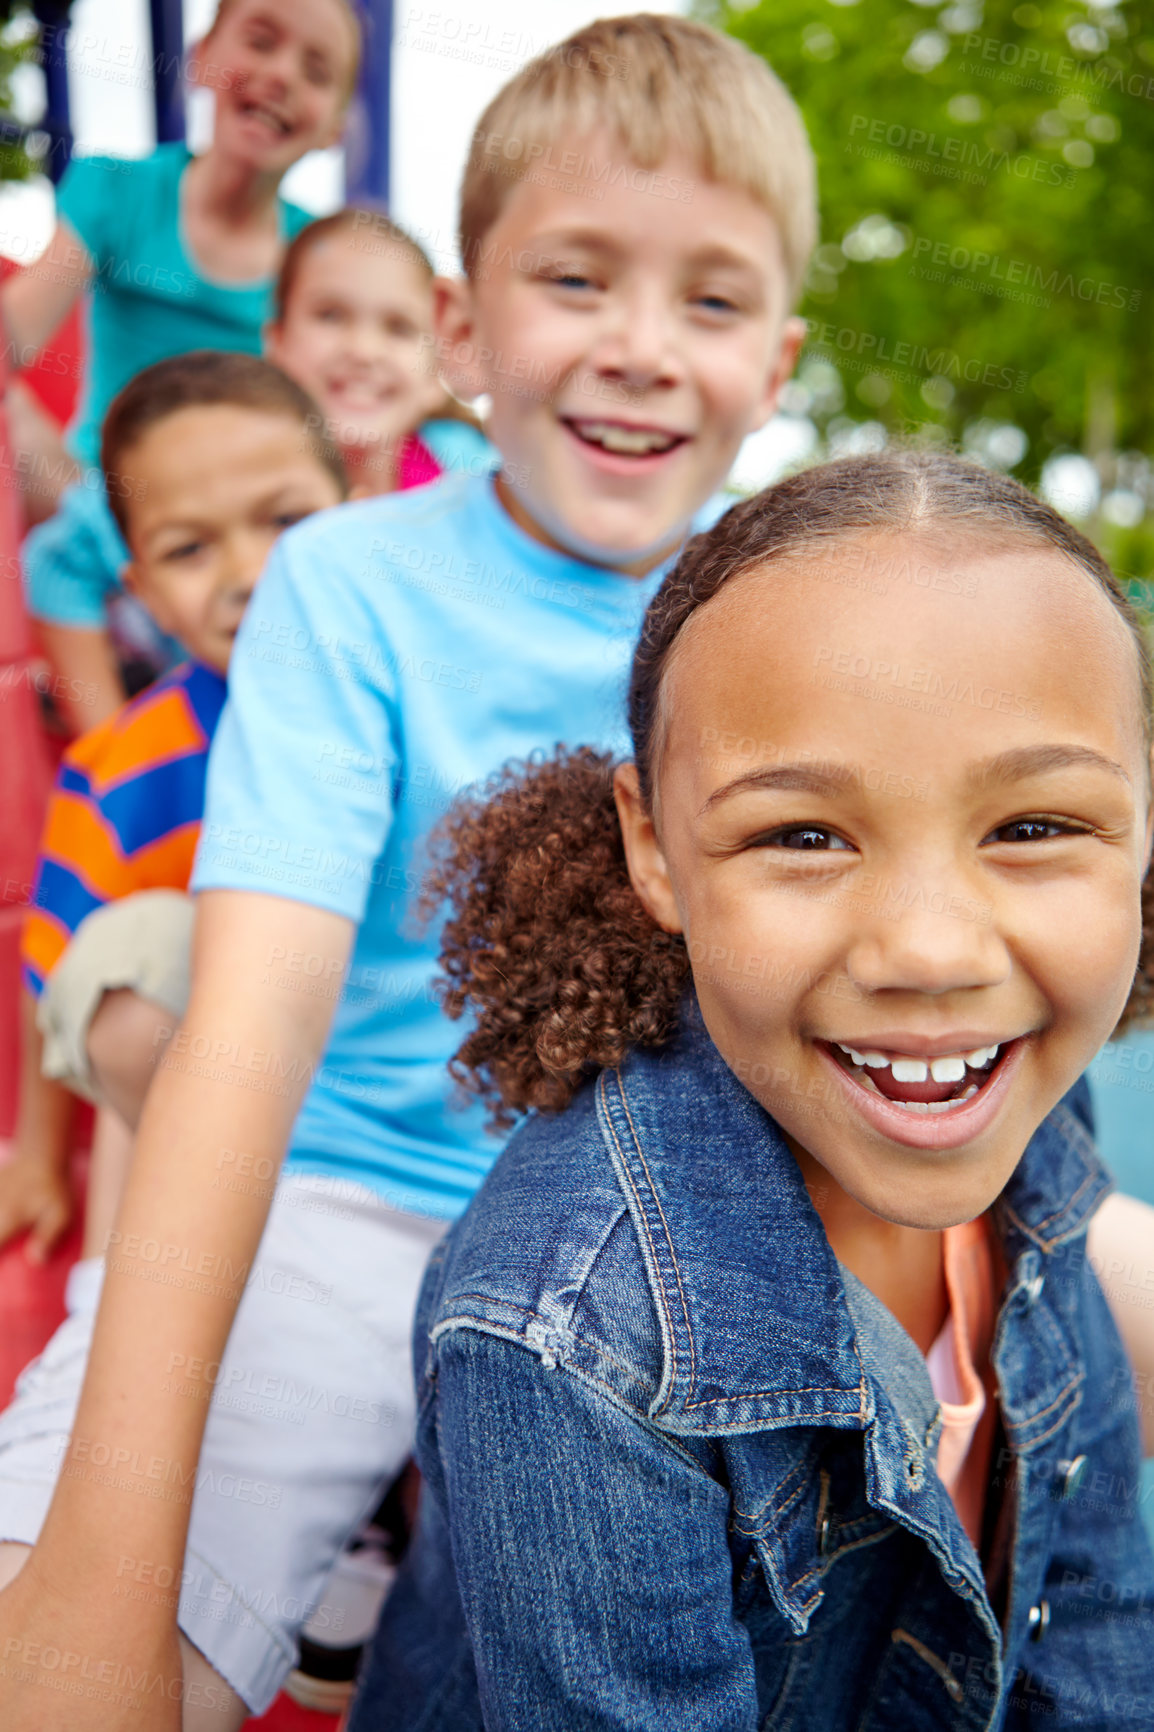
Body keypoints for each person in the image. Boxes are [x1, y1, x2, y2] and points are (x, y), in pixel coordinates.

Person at [0, 15, 814, 1730]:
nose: (644, 350)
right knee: (57, 1635)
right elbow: (253, 1027)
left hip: (646, 1218)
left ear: (777, 356)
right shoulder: (348, 586)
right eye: (576, 278)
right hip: (350, 1184)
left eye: (712, 301)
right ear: (462, 330)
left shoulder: (784, 615)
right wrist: (100, 1561)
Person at [350, 449, 1154, 1732]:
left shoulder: (1030, 1102)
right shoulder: (568, 1343)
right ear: (655, 849)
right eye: (803, 835)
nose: (932, 953)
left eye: (1031, 827)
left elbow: (1098, 1616)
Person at [0, 352, 345, 1276]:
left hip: (407, 1097)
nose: (248, 570)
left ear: (352, 526)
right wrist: (38, 1159)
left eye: (286, 521)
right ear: (143, 593)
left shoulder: (424, 706)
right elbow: (57, 970)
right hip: (230, 1107)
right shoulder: (124, 768)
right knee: (127, 963)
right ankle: (150, 1269)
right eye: (190, 549)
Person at [1, 0, 361, 733]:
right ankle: (112, 749)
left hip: (234, 510)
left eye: (316, 70)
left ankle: (176, 661)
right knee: (22, 428)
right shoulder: (120, 192)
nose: (281, 74)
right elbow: (17, 334)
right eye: (260, 40)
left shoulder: (312, 257)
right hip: (102, 488)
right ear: (200, 59)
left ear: (332, 128)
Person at [266, 208, 493, 497]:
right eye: (331, 315)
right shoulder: (235, 481)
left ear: (435, 373)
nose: (364, 351)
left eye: (399, 328)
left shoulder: (475, 476)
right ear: (277, 342)